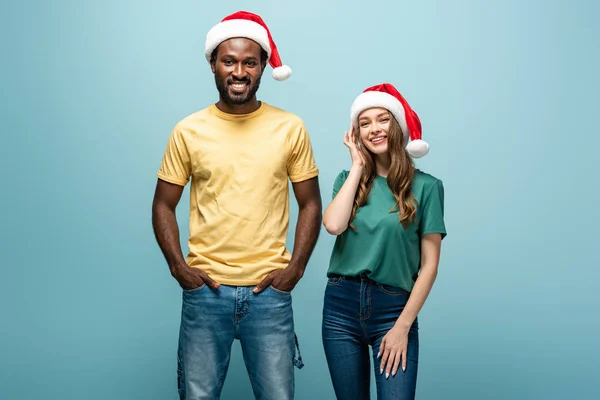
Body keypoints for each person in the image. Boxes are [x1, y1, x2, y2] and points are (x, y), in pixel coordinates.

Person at [151, 11, 322, 400]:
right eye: (229, 61)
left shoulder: (290, 128)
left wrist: (295, 269)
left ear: (263, 66)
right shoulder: (188, 130)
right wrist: (179, 267)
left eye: (249, 62)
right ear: (213, 63)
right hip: (205, 294)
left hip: (269, 296)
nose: (239, 71)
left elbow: (310, 203)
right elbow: (163, 204)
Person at [321, 83, 446, 399]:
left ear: (398, 127)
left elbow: (429, 266)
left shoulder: (428, 187)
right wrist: (358, 166)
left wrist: (403, 326)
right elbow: (334, 225)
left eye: (382, 119)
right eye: (364, 123)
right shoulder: (346, 180)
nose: (373, 129)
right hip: (341, 306)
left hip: (393, 309)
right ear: (356, 132)